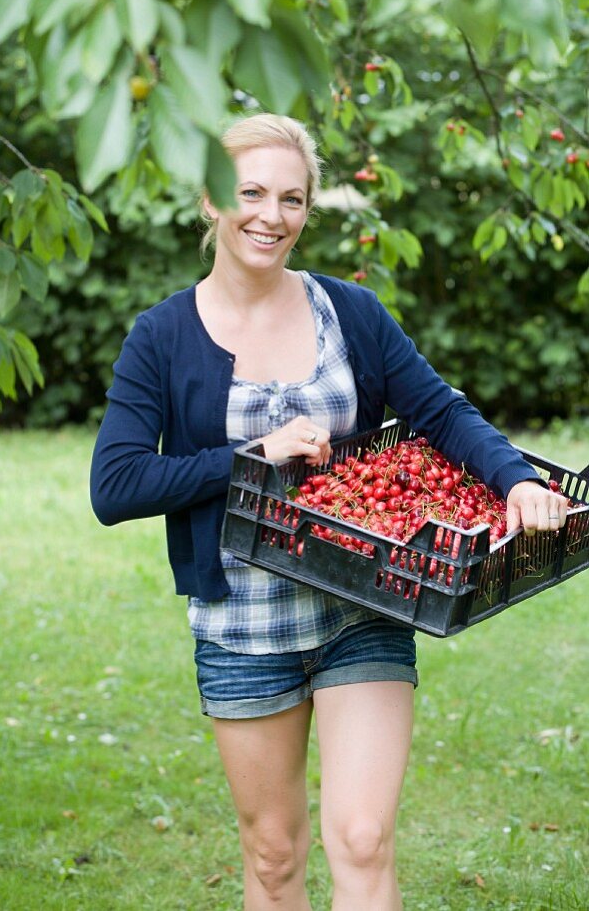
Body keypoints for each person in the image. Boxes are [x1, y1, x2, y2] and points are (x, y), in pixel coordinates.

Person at [90, 113, 568, 911]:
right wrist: (254, 458)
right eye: (250, 192)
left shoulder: (350, 313)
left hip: (366, 603)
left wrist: (515, 480)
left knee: (362, 838)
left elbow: (441, 413)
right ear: (212, 197)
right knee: (275, 858)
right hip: (243, 628)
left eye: (292, 199)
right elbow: (118, 484)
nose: (270, 216)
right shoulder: (163, 336)